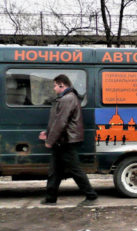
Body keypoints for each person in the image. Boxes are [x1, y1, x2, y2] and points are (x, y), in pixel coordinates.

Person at [39, 74, 98, 206]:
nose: (54, 88)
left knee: (75, 170)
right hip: (61, 140)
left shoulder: (68, 98)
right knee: (54, 171)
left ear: (62, 85)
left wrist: (50, 141)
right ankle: (50, 198)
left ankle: (91, 196)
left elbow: (61, 122)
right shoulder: (65, 98)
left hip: (66, 141)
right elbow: (57, 121)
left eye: (55, 85)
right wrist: (48, 133)